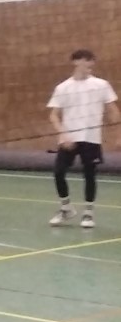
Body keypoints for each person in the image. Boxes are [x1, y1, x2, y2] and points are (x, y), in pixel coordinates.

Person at [47, 49, 119, 228]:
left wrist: (119, 134)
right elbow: (54, 115)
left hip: (91, 138)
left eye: (92, 61)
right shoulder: (63, 87)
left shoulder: (101, 85)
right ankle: (66, 208)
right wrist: (62, 134)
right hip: (69, 138)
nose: (90, 64)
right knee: (58, 172)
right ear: (76, 62)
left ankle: (88, 213)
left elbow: (113, 110)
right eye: (86, 60)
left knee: (89, 174)